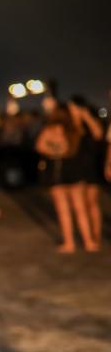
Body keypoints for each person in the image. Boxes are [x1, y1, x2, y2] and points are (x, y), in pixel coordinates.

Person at [35, 104, 98, 253]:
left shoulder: (49, 130)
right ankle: (88, 242)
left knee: (63, 210)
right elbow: (96, 133)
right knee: (80, 209)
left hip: (56, 172)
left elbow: (40, 147)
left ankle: (69, 243)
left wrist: (54, 151)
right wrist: (80, 115)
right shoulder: (74, 129)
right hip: (75, 171)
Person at [68, 97, 104, 246]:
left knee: (92, 202)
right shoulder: (70, 124)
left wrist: (86, 117)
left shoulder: (91, 121)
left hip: (91, 166)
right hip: (75, 166)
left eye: (72, 107)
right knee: (80, 204)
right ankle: (87, 237)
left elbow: (98, 134)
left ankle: (96, 235)